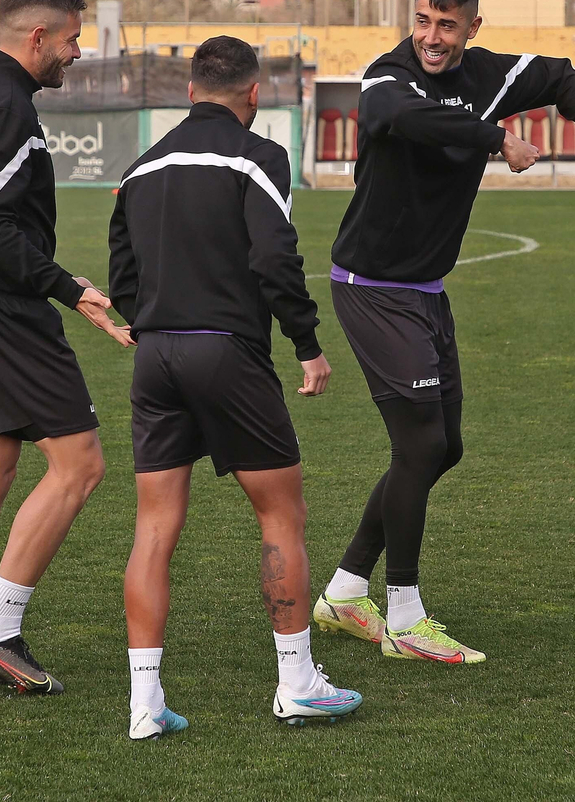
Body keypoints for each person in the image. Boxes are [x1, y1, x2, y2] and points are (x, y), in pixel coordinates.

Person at [311, 0, 575, 664]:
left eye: (448, 25)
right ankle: (405, 618)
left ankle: (346, 589)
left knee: (443, 446)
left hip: (423, 289)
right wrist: (495, 139)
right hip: (372, 285)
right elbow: (398, 117)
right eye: (422, 20)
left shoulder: (489, 74)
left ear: (473, 27)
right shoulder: (388, 76)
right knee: (419, 445)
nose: (432, 37)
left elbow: (563, 76)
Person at [108, 36, 360, 737]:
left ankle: (145, 705)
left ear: (189, 91)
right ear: (255, 95)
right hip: (227, 354)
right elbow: (275, 257)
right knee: (281, 516)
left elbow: (122, 274)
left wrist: (153, 327)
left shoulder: (139, 167)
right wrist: (307, 344)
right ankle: (297, 683)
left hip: (154, 355)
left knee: (154, 527)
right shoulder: (259, 156)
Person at [0, 0, 131, 694]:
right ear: (36, 37)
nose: (79, 52)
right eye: (73, 39)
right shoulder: (5, 104)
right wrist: (71, 289)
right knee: (79, 466)